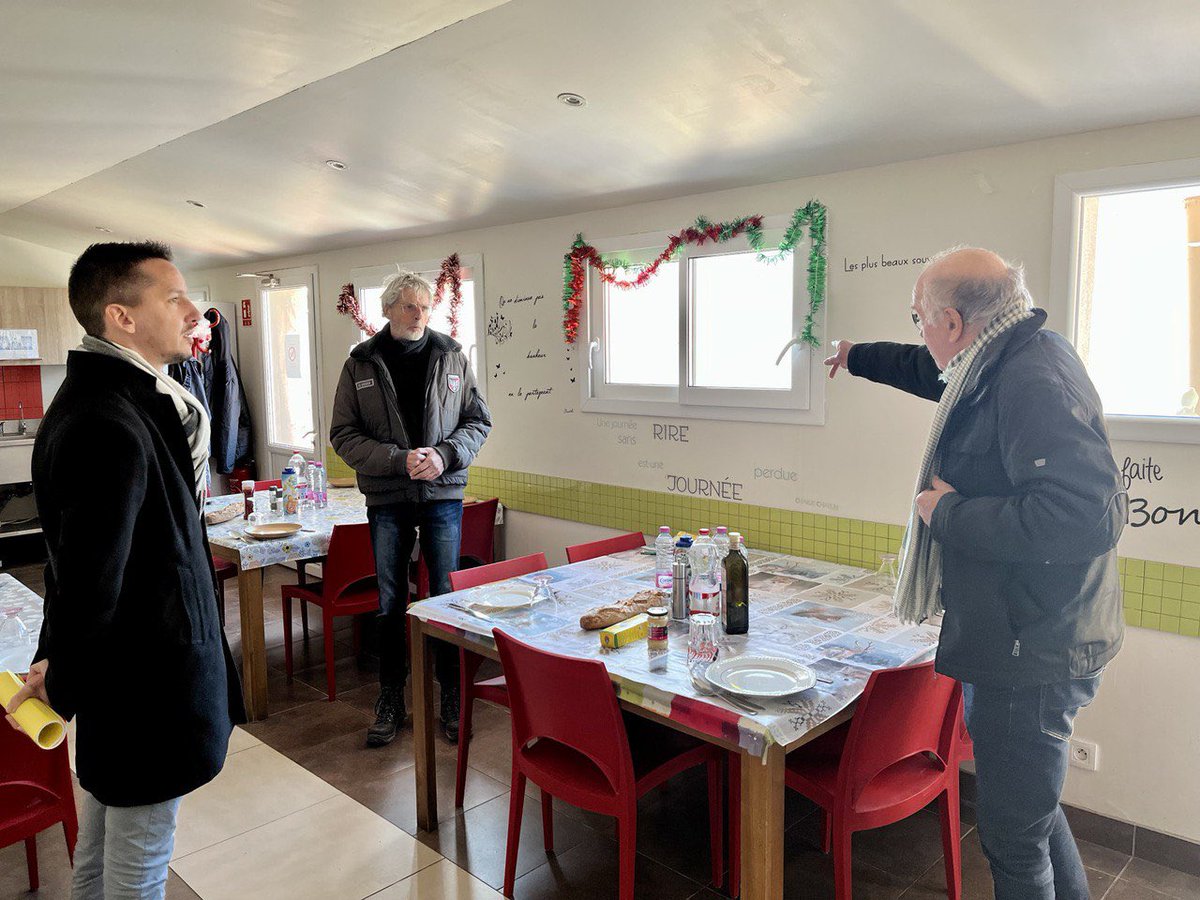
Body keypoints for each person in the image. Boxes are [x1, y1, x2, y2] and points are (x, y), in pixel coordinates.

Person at [824, 247, 1125, 900]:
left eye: (919, 319)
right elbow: (920, 367)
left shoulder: (1030, 378)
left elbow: (1085, 519)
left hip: (1035, 649)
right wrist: (851, 356)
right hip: (1024, 634)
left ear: (954, 323)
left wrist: (949, 513)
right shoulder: (992, 360)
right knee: (1033, 821)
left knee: (1014, 841)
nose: (919, 333)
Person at [4, 241, 245, 899]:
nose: (194, 311)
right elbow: (88, 579)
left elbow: (84, 564)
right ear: (122, 317)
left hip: (135, 679)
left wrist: (59, 662)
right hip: (148, 686)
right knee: (137, 868)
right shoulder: (105, 420)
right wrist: (63, 679)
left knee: (105, 851)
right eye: (173, 297)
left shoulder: (122, 401)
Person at [330, 271, 491, 746]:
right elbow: (344, 435)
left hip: (442, 494)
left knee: (444, 597)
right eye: (408, 306)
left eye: (424, 306)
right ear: (387, 310)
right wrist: (398, 460)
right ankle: (390, 698)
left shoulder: (453, 355)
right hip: (388, 497)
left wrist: (444, 455)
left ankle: (452, 695)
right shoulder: (360, 363)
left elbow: (478, 420)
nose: (419, 315)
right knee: (389, 601)